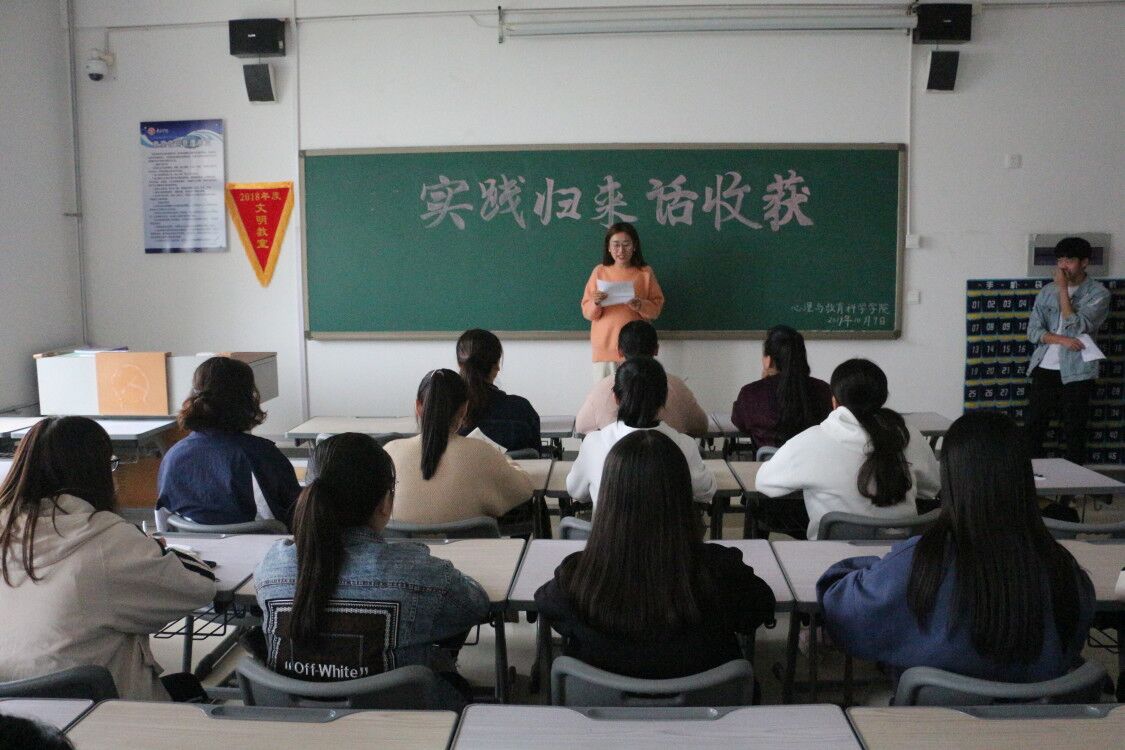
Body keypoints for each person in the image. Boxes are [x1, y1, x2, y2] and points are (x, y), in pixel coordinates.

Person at [817, 411, 1094, 688]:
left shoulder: (920, 565)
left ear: (950, 478)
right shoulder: (1066, 573)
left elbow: (843, 614)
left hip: (932, 716)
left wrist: (872, 567)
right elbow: (1071, 647)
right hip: (1040, 714)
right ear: (1025, 477)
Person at [255, 433, 489, 707]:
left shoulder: (272, 565)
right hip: (400, 718)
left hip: (296, 717)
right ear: (385, 504)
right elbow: (475, 606)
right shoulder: (419, 572)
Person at [0, 417, 216, 701]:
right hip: (100, 712)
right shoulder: (107, 539)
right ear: (95, 472)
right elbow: (199, 586)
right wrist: (152, 547)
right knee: (190, 690)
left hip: (15, 709)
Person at [537, 430, 775, 678]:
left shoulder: (578, 579)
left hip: (599, 703)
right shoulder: (721, 572)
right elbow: (759, 610)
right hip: (708, 703)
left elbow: (548, 607)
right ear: (684, 496)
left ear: (608, 499)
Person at [755, 358, 940, 540]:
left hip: (830, 555)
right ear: (882, 398)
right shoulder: (908, 435)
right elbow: (931, 488)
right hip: (899, 554)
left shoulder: (811, 440)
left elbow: (764, 482)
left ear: (834, 402)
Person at [157, 356, 300, 528]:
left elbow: (164, 517)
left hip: (192, 544)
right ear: (247, 400)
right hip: (261, 543)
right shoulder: (263, 455)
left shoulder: (173, 457)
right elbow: (299, 514)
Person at [385, 369, 533, 523]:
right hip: (474, 540)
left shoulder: (390, 452)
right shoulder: (482, 453)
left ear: (418, 406)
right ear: (464, 408)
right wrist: (506, 460)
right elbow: (524, 490)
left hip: (403, 540)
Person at [567, 357, 715, 508]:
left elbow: (576, 491)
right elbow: (706, 491)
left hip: (608, 524)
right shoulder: (684, 445)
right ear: (664, 397)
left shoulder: (594, 444)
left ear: (615, 398)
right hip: (671, 524)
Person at [1024, 236, 1111, 465]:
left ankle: (1072, 485)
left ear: (1084, 263)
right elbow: (1033, 331)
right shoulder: (1046, 291)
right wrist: (1061, 340)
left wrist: (1063, 289)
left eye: (1069, 260)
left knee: (1074, 430)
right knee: (1034, 426)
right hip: (1045, 367)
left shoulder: (1098, 294)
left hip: (1077, 371)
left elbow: (1077, 326)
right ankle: (1033, 479)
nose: (1063, 267)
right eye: (1060, 260)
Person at [575, 319, 709, 437]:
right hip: (665, 457)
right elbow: (701, 426)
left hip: (615, 457)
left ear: (619, 351)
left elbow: (581, 426)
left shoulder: (602, 387)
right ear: (656, 349)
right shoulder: (676, 386)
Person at [580, 222, 665, 379]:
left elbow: (656, 308)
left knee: (636, 392)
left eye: (626, 245)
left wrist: (640, 305)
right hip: (605, 348)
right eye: (616, 245)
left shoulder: (645, 272)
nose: (621, 250)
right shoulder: (600, 271)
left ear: (634, 246)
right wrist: (595, 302)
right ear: (608, 247)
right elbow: (587, 312)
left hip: (637, 349)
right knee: (604, 393)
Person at [731, 325, 833, 450]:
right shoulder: (824, 390)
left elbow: (739, 422)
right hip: (812, 461)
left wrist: (763, 384)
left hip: (768, 462)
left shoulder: (750, 394)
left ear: (768, 361)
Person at [455, 328, 541, 453]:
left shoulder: (447, 412)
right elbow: (538, 458)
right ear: (496, 367)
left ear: (460, 365)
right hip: (513, 467)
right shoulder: (522, 409)